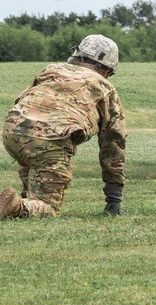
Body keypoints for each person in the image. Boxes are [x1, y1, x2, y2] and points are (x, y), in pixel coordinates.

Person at [1, 34, 126, 220]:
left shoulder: (51, 70)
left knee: (34, 176)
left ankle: (24, 200)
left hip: (13, 131)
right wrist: (114, 199)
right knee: (48, 209)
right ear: (107, 70)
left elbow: (22, 101)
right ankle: (17, 206)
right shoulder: (105, 87)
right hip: (49, 140)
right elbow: (114, 144)